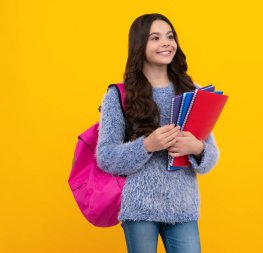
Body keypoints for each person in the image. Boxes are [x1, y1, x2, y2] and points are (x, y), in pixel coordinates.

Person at [96, 13, 220, 253]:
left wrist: (197, 148)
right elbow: (105, 156)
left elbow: (211, 156)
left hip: (183, 207)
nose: (166, 43)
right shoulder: (118, 95)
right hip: (139, 206)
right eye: (155, 38)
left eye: (170, 36)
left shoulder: (192, 92)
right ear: (139, 45)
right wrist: (146, 146)